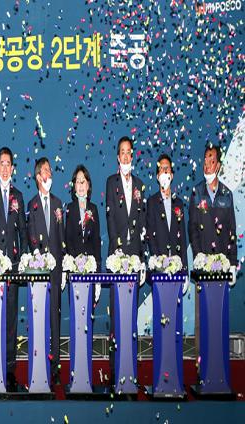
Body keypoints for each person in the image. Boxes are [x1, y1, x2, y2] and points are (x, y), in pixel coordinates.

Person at [0, 147, 28, 392]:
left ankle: (9, 369)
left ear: (13, 168)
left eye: (9, 163)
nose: (5, 167)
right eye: (2, 163)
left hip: (12, 269)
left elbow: (23, 230)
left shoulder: (18, 196)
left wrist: (21, 259)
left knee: (10, 321)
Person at [105, 136, 146, 386]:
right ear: (117, 157)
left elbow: (142, 221)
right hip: (117, 256)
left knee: (131, 314)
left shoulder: (140, 184)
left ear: (133, 155)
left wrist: (140, 258)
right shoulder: (112, 183)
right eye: (122, 152)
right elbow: (110, 219)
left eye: (129, 152)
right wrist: (118, 251)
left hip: (135, 255)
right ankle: (114, 368)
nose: (126, 156)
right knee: (116, 312)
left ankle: (131, 366)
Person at [26, 156, 65, 384]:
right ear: (38, 176)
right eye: (46, 171)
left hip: (56, 269)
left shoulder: (59, 203)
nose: (50, 174)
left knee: (55, 317)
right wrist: (38, 257)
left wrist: (63, 266)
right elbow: (30, 236)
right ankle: (39, 360)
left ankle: (56, 365)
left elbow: (61, 237)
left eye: (51, 170)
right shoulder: (31, 205)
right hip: (39, 270)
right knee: (39, 316)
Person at [188, 145, 237, 284]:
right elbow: (192, 227)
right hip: (203, 266)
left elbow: (231, 230)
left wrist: (232, 264)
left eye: (212, 161)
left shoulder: (227, 194)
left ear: (218, 166)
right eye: (205, 161)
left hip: (222, 265)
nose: (207, 165)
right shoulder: (197, 193)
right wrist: (198, 255)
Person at [65, 164, 102, 302]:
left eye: (83, 181)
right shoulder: (69, 208)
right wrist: (74, 263)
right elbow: (68, 238)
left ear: (88, 185)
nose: (80, 185)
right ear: (74, 186)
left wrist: (97, 273)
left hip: (90, 268)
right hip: (74, 268)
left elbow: (96, 241)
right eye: (77, 181)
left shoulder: (94, 209)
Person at [146, 154, 187, 268]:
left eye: (167, 168)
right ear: (157, 176)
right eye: (161, 168)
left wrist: (184, 266)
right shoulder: (151, 202)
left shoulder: (178, 203)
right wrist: (159, 262)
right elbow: (150, 234)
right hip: (159, 264)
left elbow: (182, 237)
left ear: (172, 175)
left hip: (177, 264)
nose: (164, 171)